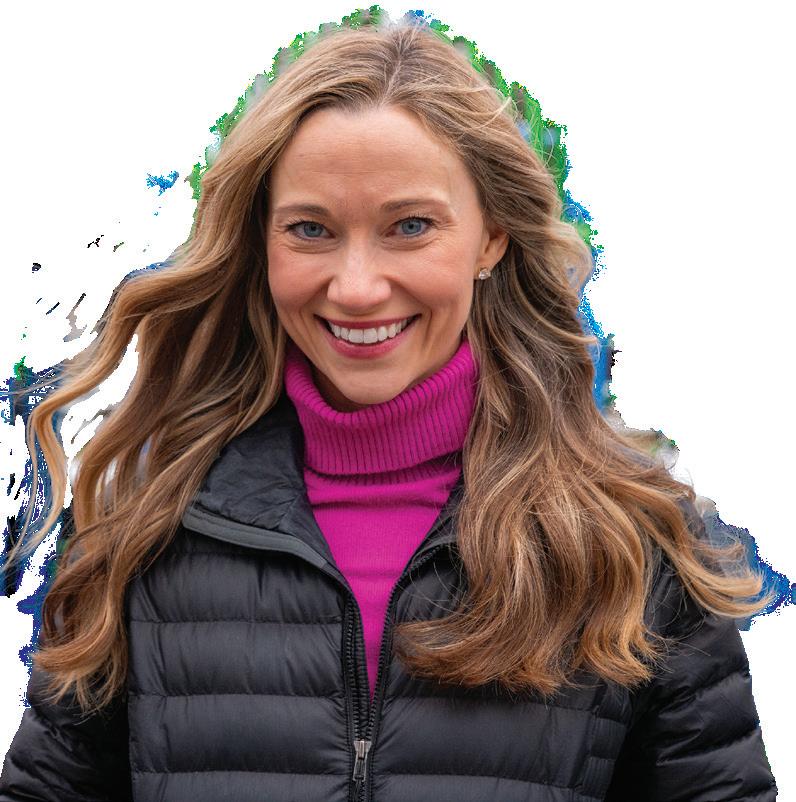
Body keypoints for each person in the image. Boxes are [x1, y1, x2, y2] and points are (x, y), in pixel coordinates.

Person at [0, 10, 779, 802]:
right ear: (261, 242)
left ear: (492, 237)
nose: (357, 286)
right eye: (311, 229)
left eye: (410, 226)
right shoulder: (146, 528)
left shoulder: (635, 545)